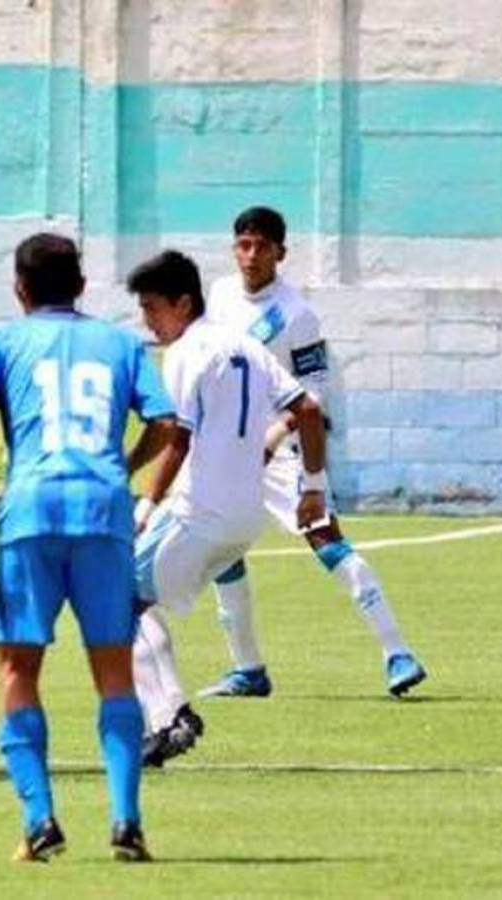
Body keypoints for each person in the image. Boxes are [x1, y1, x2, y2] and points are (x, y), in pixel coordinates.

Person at [0, 234, 174, 863]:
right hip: (103, 511)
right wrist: (122, 465)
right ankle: (126, 821)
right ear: (82, 286)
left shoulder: (4, 340)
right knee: (113, 672)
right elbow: (168, 425)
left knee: (17, 670)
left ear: (19, 288)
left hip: (31, 512)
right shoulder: (122, 342)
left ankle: (39, 822)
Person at [201, 206, 427, 698]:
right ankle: (248, 669)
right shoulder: (218, 296)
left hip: (280, 452)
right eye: (244, 244)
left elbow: (311, 395)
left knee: (325, 539)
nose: (252, 255)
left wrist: (274, 436)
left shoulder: (297, 315)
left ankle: (397, 651)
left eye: (262, 246)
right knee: (222, 552)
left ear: (281, 252)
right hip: (226, 447)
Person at [124, 250, 328, 766]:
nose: (147, 321)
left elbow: (175, 436)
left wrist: (144, 501)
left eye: (152, 308)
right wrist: (313, 488)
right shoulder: (247, 346)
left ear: (182, 302)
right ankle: (173, 713)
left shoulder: (188, 352)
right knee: (134, 602)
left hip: (200, 511)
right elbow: (307, 408)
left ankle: (170, 717)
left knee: (113, 597)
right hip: (246, 518)